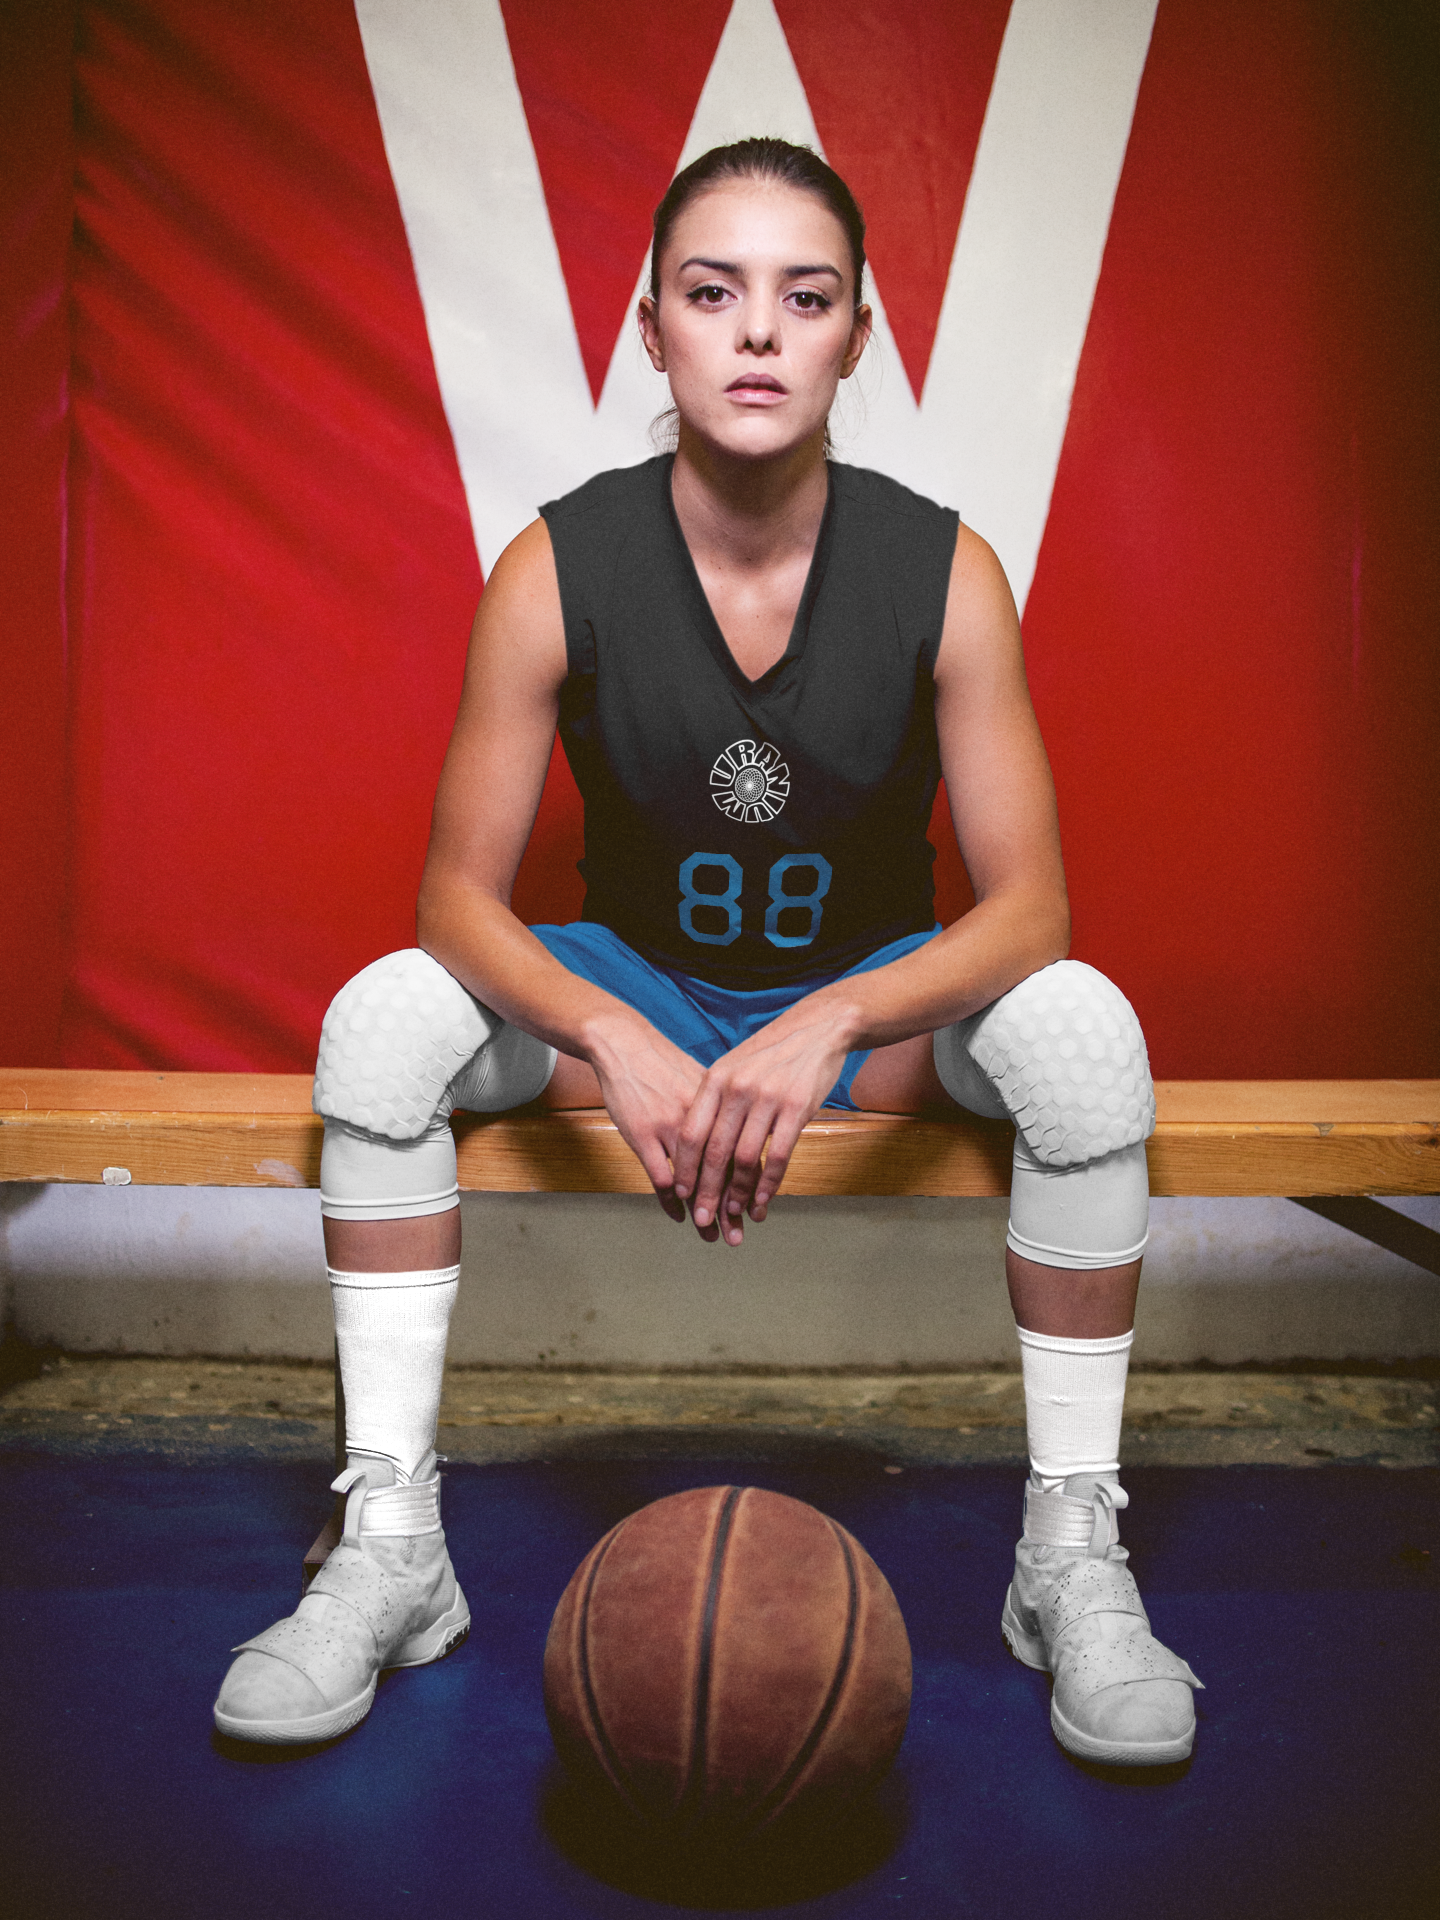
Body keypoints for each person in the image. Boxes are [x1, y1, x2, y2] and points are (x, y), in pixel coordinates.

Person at [213, 138, 1201, 1765]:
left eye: (803, 299)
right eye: (713, 292)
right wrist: (609, 1030)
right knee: (384, 1018)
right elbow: (456, 903)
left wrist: (834, 1022)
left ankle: (1069, 1554)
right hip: (640, 986)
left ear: (857, 338)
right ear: (651, 330)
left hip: (870, 1007)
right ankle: (392, 1549)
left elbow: (1031, 913)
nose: (757, 333)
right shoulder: (552, 564)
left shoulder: (946, 571)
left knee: (1084, 1029)